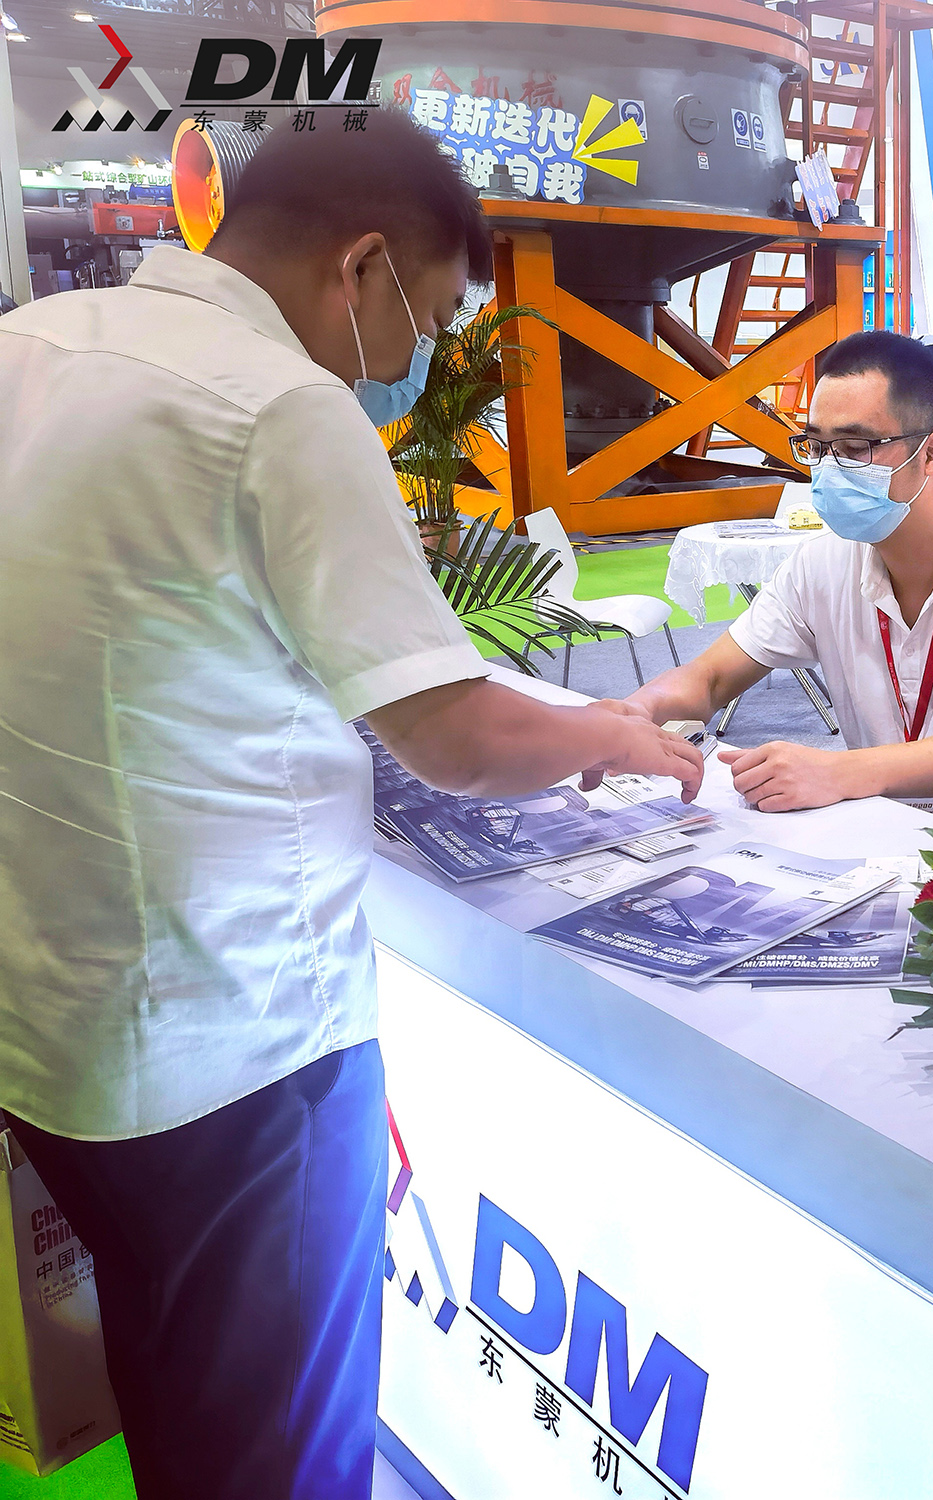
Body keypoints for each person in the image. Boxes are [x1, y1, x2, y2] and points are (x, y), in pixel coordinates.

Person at [0, 115, 703, 1500]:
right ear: (362, 265)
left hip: (49, 1015)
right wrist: (611, 737)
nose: (412, 360)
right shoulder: (280, 406)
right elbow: (454, 736)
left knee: (176, 1380)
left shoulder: (37, 341)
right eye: (427, 319)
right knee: (276, 1446)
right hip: (233, 1043)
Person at [612, 329, 933, 822]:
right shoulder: (820, 564)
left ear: (931, 454)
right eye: (816, 446)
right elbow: (710, 678)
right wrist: (634, 713)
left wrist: (839, 772)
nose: (827, 469)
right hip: (891, 838)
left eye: (855, 446)